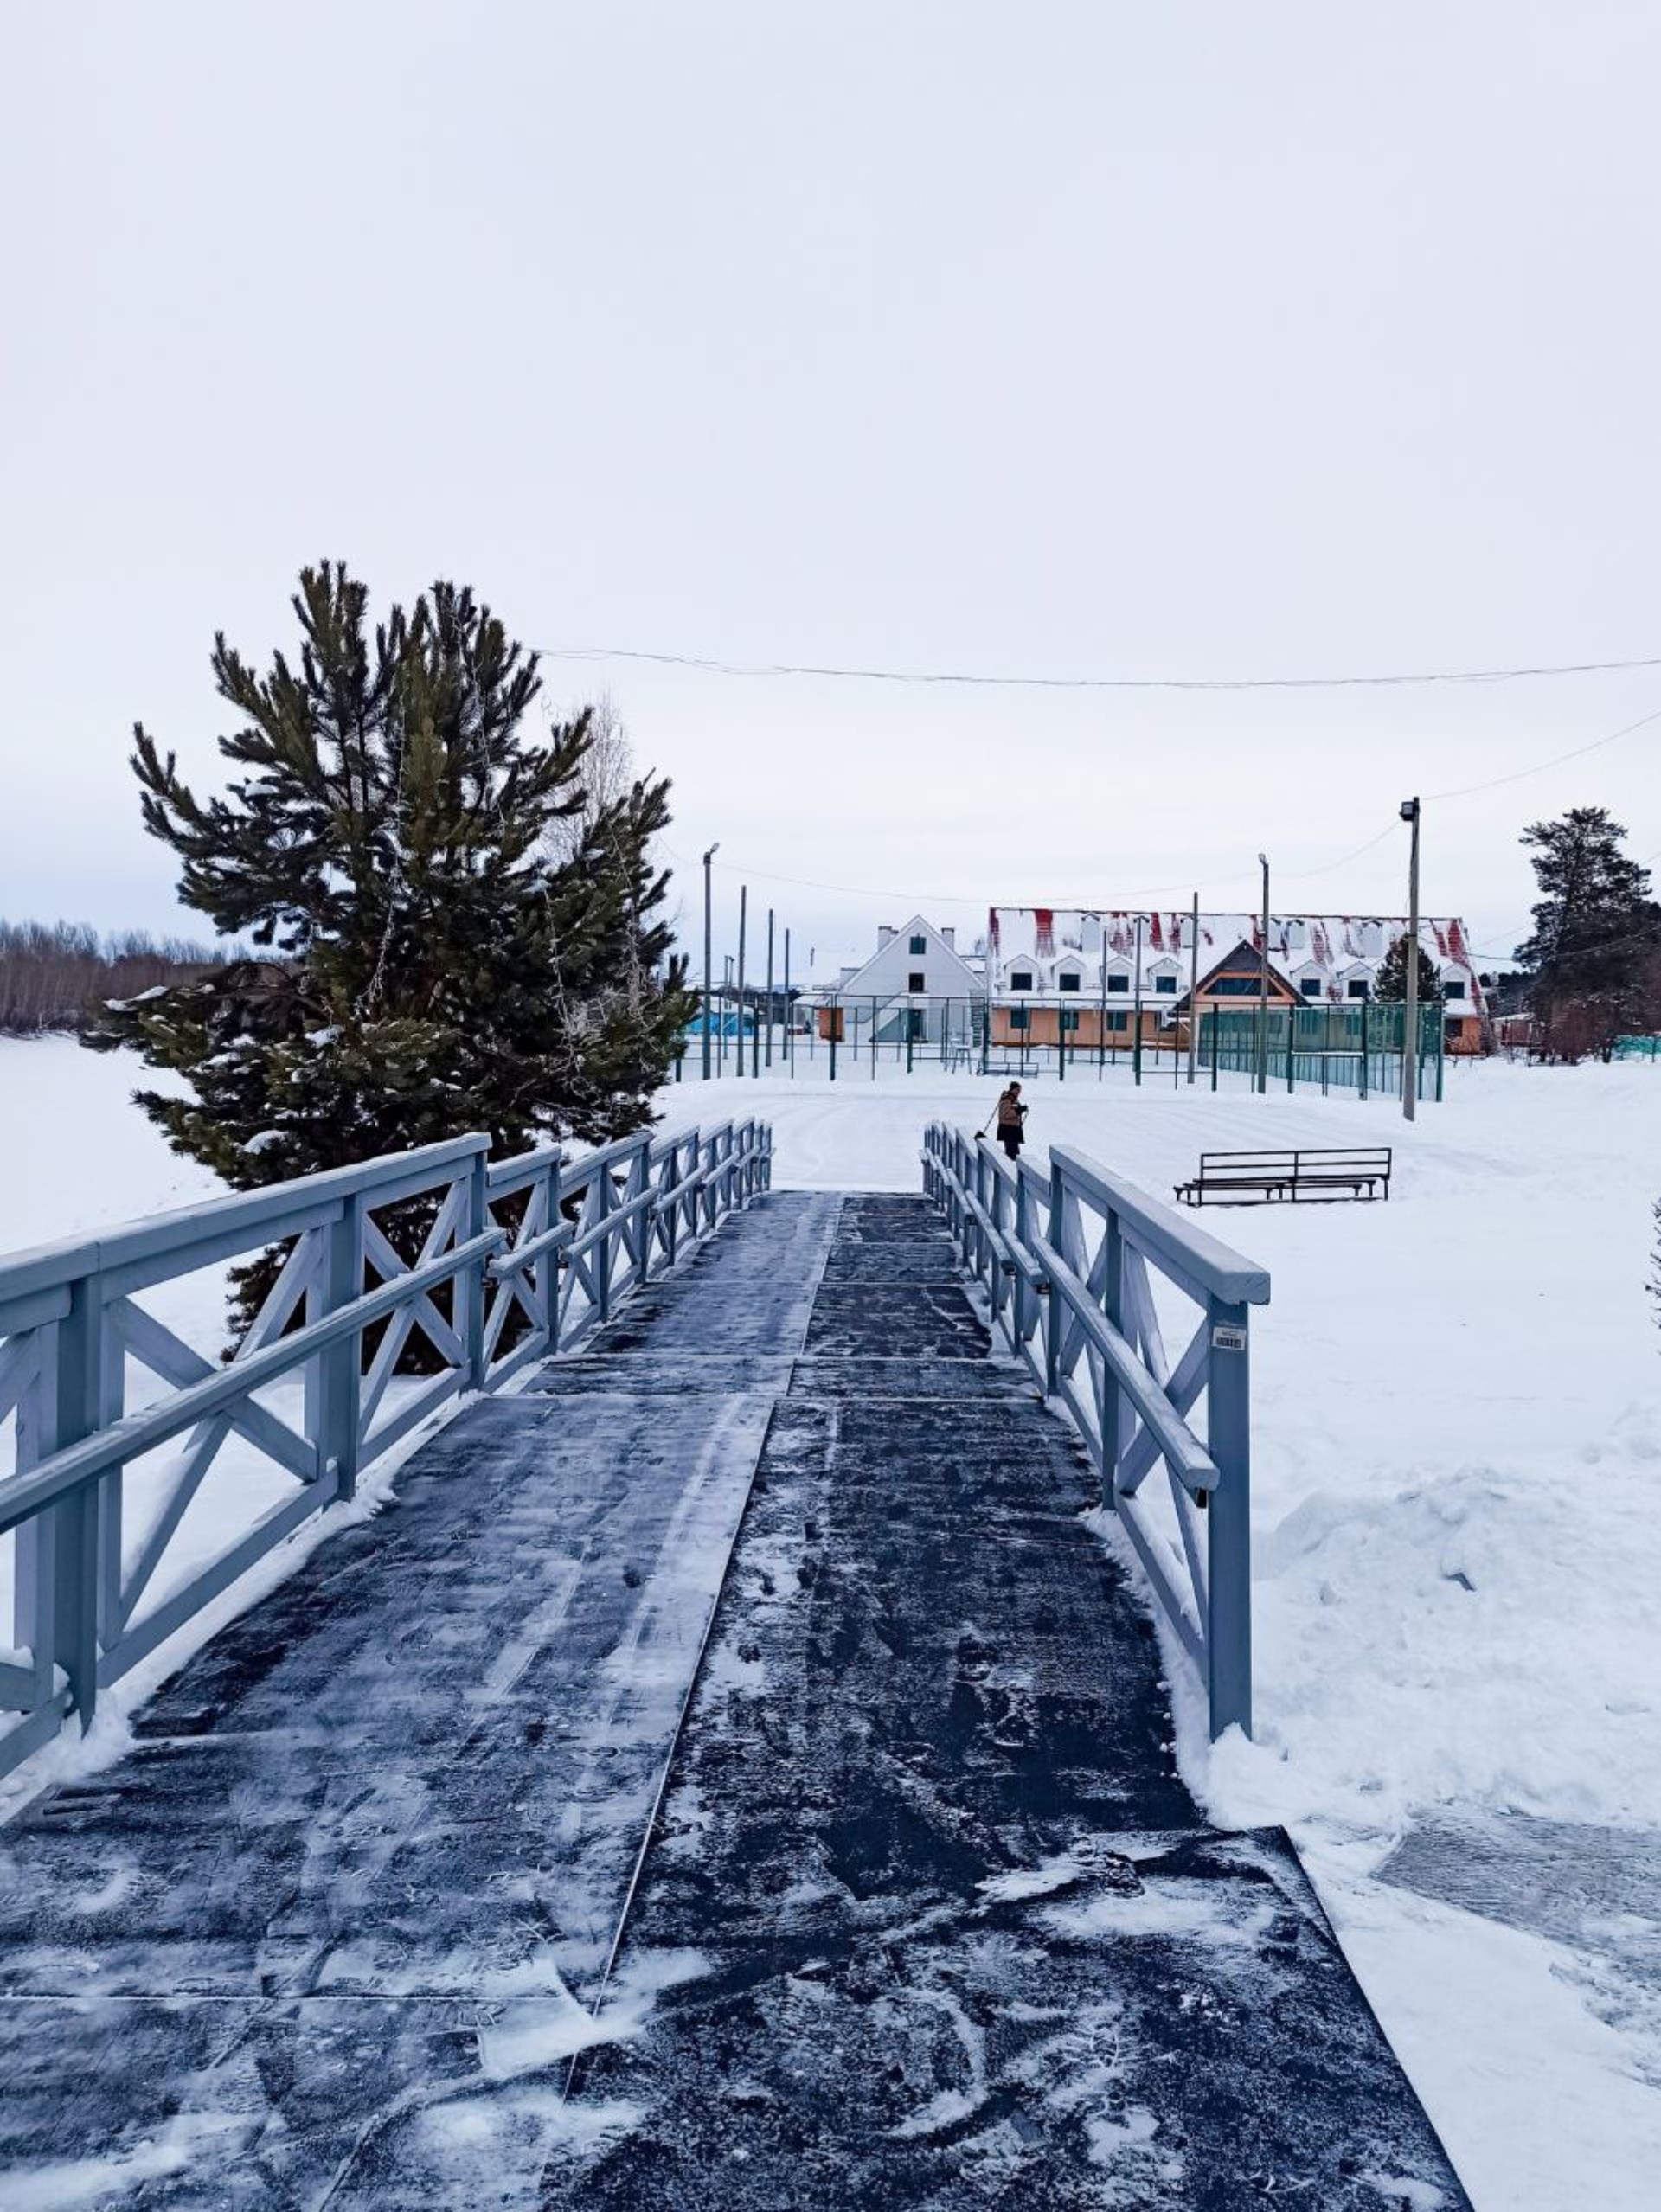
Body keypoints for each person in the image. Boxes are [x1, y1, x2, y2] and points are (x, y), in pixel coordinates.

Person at [994, 1080, 1028, 1162]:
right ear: (1013, 1089)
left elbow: (1013, 1110)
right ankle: (1011, 1170)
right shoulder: (1007, 1099)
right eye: (1018, 1090)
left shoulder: (1013, 1099)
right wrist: (1019, 1110)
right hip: (1008, 1130)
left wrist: (1020, 1109)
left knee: (1014, 1153)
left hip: (1012, 1130)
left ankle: (1014, 1169)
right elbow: (1006, 1114)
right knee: (1012, 1154)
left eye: (1020, 1090)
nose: (1019, 1092)